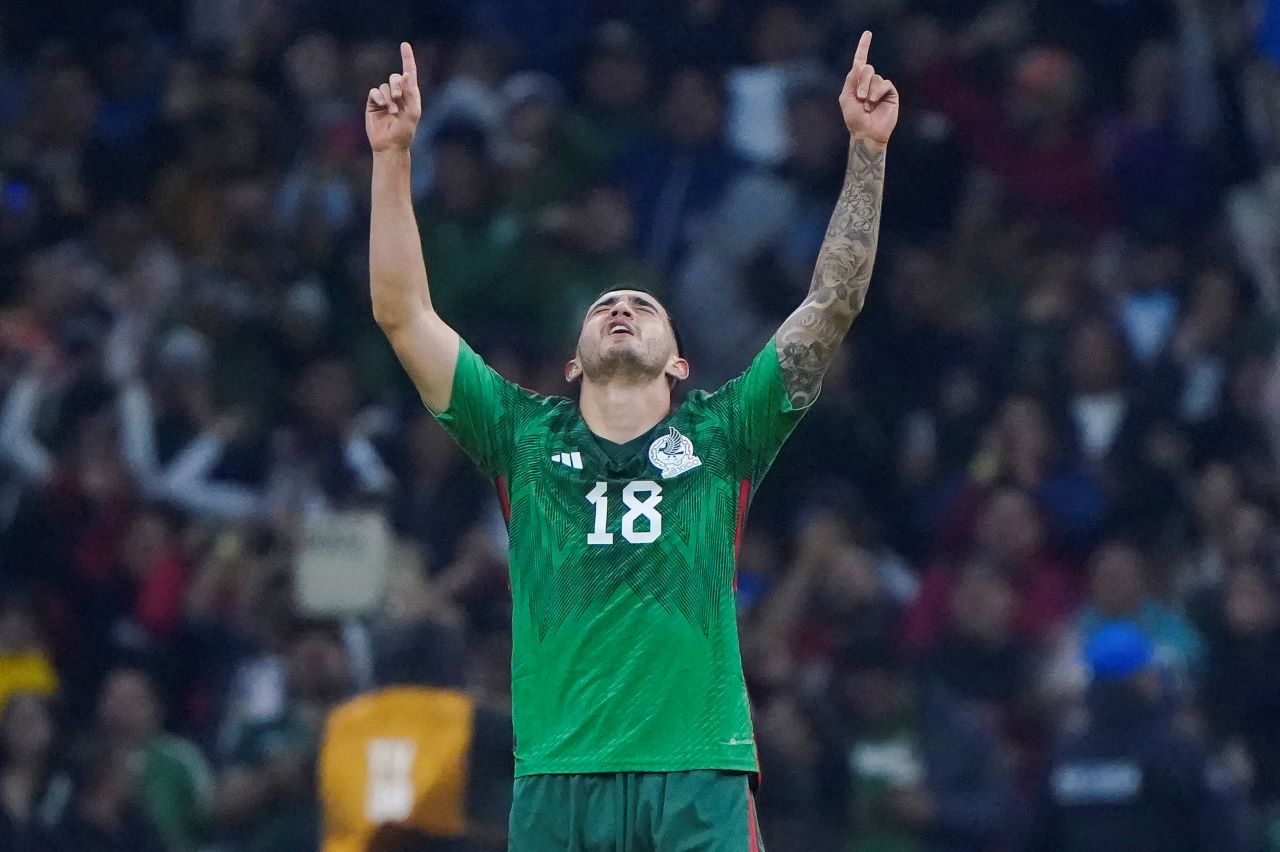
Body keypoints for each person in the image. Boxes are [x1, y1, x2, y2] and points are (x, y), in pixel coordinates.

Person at [365, 31, 899, 850]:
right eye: (604, 306)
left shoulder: (723, 433)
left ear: (680, 361)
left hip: (695, 772)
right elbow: (405, 314)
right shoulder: (520, 435)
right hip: (556, 778)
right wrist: (394, 156)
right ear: (573, 364)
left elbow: (831, 304)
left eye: (644, 306)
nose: (622, 308)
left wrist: (866, 150)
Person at [1021, 622, 1255, 852]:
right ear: (1143, 679)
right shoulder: (1177, 755)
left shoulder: (1065, 758)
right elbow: (1223, 832)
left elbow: (1034, 836)